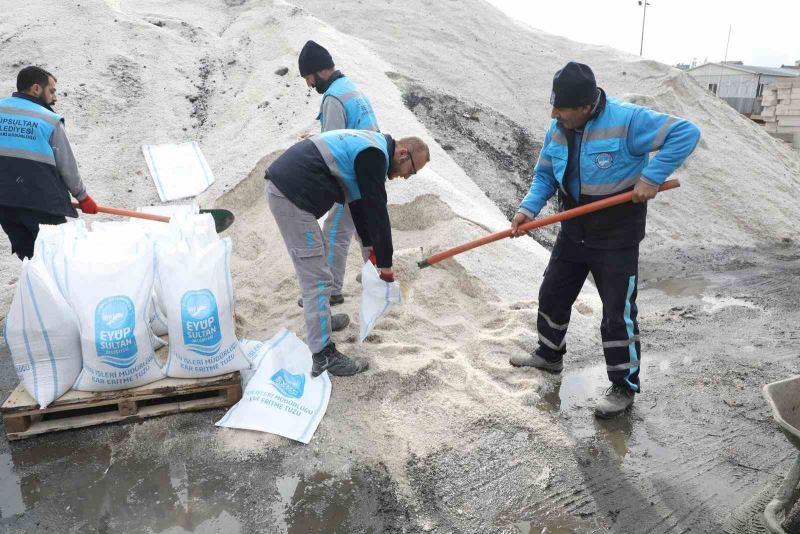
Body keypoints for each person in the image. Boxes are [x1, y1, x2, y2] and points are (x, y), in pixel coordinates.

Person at [508, 62, 700, 418]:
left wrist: (652, 176)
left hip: (617, 229)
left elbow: (686, 132)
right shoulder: (558, 127)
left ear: (584, 107)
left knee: (617, 313)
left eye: (561, 108)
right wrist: (528, 209)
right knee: (553, 293)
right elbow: (545, 175)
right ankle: (549, 355)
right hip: (574, 225)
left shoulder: (627, 120)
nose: (554, 114)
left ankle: (623, 387)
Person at [265, 130, 429, 377]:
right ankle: (324, 355)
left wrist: (371, 254)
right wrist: (385, 266)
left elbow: (360, 208)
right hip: (291, 196)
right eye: (412, 171)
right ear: (403, 153)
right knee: (317, 279)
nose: (407, 178)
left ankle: (322, 322)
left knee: (319, 269)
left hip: (292, 191)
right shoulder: (374, 156)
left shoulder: (370, 149)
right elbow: (377, 211)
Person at [296, 40, 379, 309]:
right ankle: (377, 279)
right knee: (365, 231)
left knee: (334, 232)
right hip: (371, 168)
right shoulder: (350, 88)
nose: (309, 85)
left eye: (308, 78)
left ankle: (331, 290)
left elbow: (333, 147)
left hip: (352, 177)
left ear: (319, 72)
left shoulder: (332, 98)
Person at [0, 66, 97, 260]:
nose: (55, 98)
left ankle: (36, 288)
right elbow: (66, 165)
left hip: (5, 204)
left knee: (30, 258)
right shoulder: (49, 120)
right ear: (36, 89)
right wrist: (83, 196)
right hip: (41, 204)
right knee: (58, 256)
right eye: (51, 91)